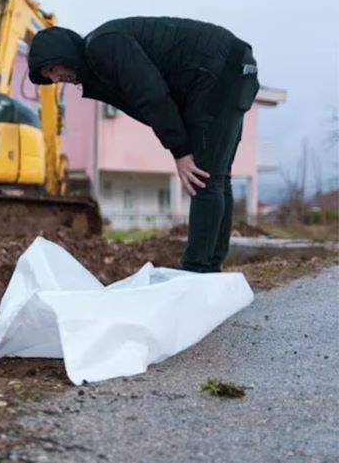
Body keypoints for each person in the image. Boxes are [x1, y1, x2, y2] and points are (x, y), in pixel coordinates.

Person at [27, 17, 260, 273]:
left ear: (63, 52)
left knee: (203, 179)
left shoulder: (103, 48)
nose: (54, 78)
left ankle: (196, 272)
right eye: (47, 76)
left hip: (218, 70)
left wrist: (181, 150)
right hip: (231, 67)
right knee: (215, 177)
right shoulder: (99, 56)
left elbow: (152, 95)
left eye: (51, 68)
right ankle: (210, 270)